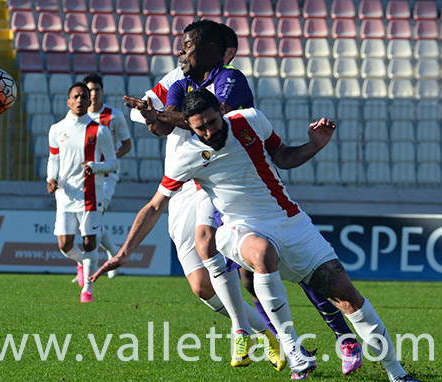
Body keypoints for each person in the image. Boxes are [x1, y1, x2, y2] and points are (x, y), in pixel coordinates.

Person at [91, 88, 422, 382]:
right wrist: (123, 253)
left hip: (291, 222)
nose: (208, 131)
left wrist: (314, 145)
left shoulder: (251, 120)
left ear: (221, 110)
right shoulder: (187, 156)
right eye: (199, 128)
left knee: (346, 294)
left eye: (211, 122)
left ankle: (398, 374)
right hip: (239, 228)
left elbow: (283, 157)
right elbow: (154, 206)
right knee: (261, 254)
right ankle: (291, 345)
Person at [126, 20, 362, 377]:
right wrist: (153, 116)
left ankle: (342, 337)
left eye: (187, 45)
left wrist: (161, 114)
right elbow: (160, 123)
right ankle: (278, 339)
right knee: (242, 278)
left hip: (240, 182)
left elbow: (207, 118)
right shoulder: (181, 80)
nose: (180, 51)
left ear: (218, 51)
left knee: (295, 268)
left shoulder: (230, 78)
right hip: (198, 179)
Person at [46, 82, 118, 303]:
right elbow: (53, 158)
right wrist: (51, 178)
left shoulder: (100, 130)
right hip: (65, 195)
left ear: (89, 102)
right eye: (75, 97)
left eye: (83, 97)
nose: (79, 100)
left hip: (91, 194)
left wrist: (96, 167)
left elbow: (113, 164)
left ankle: (87, 289)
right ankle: (80, 263)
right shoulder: (57, 129)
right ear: (68, 101)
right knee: (64, 245)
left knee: (89, 242)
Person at [77, 73, 133, 281]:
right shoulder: (78, 117)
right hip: (83, 176)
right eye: (88, 90)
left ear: (102, 91)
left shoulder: (114, 116)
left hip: (107, 176)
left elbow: (127, 145)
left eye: (96, 90)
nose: (92, 94)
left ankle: (91, 265)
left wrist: (110, 157)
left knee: (95, 217)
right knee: (88, 220)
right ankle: (112, 252)